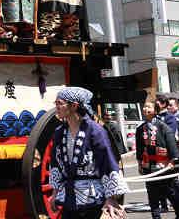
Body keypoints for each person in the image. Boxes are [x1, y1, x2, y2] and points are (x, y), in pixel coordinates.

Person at [49, 87, 128, 219]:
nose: (56, 107)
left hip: (93, 199)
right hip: (68, 198)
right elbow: (55, 164)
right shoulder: (59, 132)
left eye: (59, 103)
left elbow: (107, 162)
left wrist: (111, 198)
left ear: (74, 106)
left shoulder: (95, 130)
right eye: (56, 103)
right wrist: (55, 192)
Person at [136, 101, 179, 219]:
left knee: (170, 192)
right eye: (144, 107)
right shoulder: (140, 129)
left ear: (155, 110)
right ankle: (156, 216)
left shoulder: (163, 126)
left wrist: (172, 161)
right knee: (152, 194)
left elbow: (172, 145)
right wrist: (140, 163)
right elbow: (139, 148)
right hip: (149, 166)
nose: (145, 109)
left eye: (148, 107)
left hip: (164, 165)